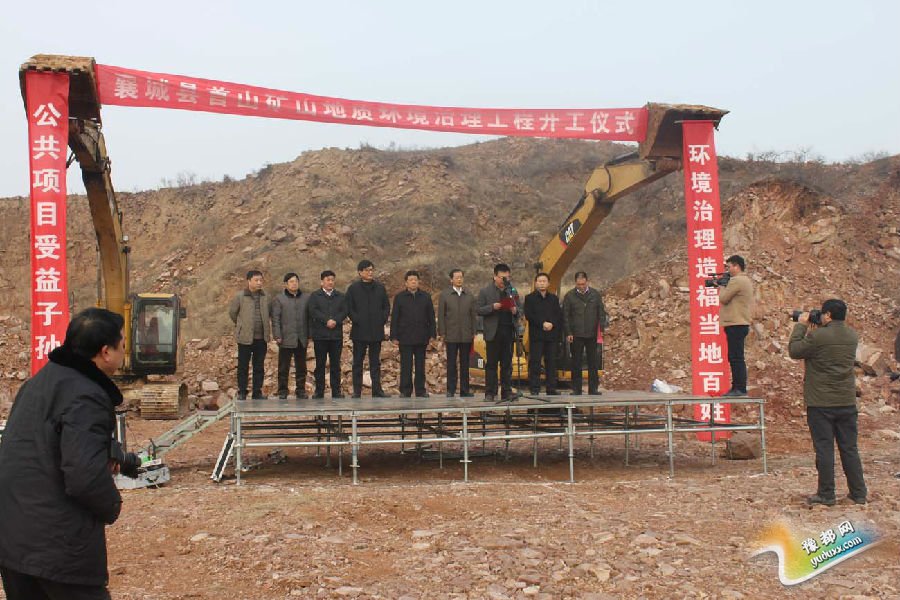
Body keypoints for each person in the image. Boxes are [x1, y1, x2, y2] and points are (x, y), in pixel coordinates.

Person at [0, 308, 131, 600]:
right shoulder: (87, 395)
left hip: (13, 541)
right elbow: (84, 476)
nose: (124, 350)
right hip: (59, 548)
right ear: (105, 352)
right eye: (122, 344)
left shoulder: (37, 384)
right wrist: (111, 505)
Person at [789, 299, 867, 506]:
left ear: (829, 315)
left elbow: (794, 351)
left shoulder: (817, 336)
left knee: (824, 449)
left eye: (823, 313)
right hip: (846, 401)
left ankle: (826, 494)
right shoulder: (852, 336)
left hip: (821, 403)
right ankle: (858, 493)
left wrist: (801, 325)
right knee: (849, 448)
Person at [477, 263, 523, 401]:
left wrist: (515, 311)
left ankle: (506, 391)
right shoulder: (485, 291)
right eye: (502, 277)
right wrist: (492, 307)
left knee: (507, 364)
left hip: (508, 332)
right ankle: (490, 393)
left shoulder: (512, 291)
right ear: (495, 277)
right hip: (493, 332)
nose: (504, 280)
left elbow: (520, 309)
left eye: (507, 278)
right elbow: (478, 309)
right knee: (491, 364)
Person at [346, 260, 391, 398]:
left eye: (371, 270)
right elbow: (349, 307)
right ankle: (357, 391)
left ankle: (377, 390)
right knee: (357, 362)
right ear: (360, 272)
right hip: (359, 331)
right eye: (367, 270)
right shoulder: (353, 289)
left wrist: (381, 319)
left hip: (376, 331)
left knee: (375, 362)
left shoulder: (380, 288)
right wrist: (357, 319)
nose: (370, 272)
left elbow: (386, 306)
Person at [390, 270, 436, 398]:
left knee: (420, 365)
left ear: (418, 281)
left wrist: (432, 334)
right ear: (406, 283)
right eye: (411, 280)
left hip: (422, 336)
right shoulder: (400, 297)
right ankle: (405, 390)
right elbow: (395, 317)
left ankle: (420, 390)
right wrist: (394, 336)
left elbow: (431, 317)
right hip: (405, 337)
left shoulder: (425, 297)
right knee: (406, 366)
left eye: (415, 280)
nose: (413, 282)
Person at [228, 270, 272, 400]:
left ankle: (257, 392)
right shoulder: (240, 296)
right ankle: (242, 391)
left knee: (259, 366)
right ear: (249, 281)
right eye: (256, 280)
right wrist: (241, 325)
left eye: (261, 280)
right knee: (243, 366)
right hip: (245, 337)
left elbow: (269, 312)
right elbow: (232, 313)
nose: (259, 283)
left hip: (261, 338)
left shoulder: (265, 296)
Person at [563, 271, 607, 395]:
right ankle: (576, 389)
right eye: (579, 284)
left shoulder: (595, 295)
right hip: (576, 334)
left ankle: (593, 389)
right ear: (575, 283)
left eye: (583, 284)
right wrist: (568, 332)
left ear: (587, 282)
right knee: (576, 362)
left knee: (593, 362)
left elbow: (601, 313)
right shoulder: (569, 296)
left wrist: (601, 329)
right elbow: (566, 316)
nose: (581, 287)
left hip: (592, 333)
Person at [307, 270, 348, 399]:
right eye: (328, 280)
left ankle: (336, 391)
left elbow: (344, 311)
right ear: (322, 282)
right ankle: (319, 391)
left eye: (332, 280)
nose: (330, 282)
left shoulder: (340, 296)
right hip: (320, 336)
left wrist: (336, 320)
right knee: (320, 364)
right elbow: (313, 311)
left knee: (335, 364)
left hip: (336, 336)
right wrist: (326, 320)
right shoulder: (315, 296)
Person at [718, 254, 754, 397]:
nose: (728, 270)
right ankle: (737, 387)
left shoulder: (737, 280)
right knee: (735, 356)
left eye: (729, 267)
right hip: (739, 323)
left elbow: (723, 298)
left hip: (736, 323)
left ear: (737, 266)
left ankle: (739, 388)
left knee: (736, 357)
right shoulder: (744, 280)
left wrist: (722, 286)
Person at [437, 268, 477, 397]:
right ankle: (451, 390)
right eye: (457, 277)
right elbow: (441, 315)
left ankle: (465, 390)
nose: (459, 279)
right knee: (451, 364)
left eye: (461, 277)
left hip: (466, 335)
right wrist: (442, 332)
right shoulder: (445, 295)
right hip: (451, 335)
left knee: (465, 364)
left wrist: (474, 331)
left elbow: (473, 315)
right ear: (451, 280)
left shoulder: (469, 295)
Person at [271, 272, 310, 400]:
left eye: (296, 281)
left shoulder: (306, 298)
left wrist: (309, 334)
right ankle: (282, 390)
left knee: (301, 367)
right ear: (286, 284)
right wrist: (277, 335)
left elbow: (309, 317)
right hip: (285, 338)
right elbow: (275, 319)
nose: (294, 284)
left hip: (301, 338)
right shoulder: (279, 299)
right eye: (291, 281)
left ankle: (300, 390)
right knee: (283, 367)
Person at [524, 272, 564, 395]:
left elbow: (558, 314)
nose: (542, 283)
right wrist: (542, 323)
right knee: (535, 362)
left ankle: (551, 388)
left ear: (548, 283)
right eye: (539, 281)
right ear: (536, 283)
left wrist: (552, 323)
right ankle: (535, 388)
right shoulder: (529, 298)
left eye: (544, 281)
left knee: (551, 362)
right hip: (537, 335)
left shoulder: (553, 298)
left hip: (551, 336)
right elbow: (529, 315)